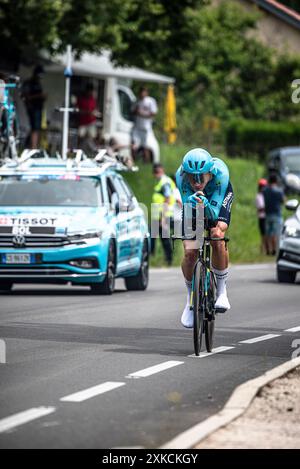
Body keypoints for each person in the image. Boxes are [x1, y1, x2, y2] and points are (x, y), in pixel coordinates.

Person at [176, 148, 234, 328]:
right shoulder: (181, 177)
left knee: (217, 234)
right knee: (190, 251)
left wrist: (206, 205)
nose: (197, 182)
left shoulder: (220, 175)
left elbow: (214, 216)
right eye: (192, 177)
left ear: (210, 172)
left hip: (217, 196)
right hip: (193, 204)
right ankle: (190, 300)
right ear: (186, 174)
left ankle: (222, 291)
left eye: (201, 176)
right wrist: (195, 205)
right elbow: (189, 212)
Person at [151, 163, 176, 266]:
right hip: (158, 216)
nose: (157, 174)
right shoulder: (162, 182)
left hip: (164, 216)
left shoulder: (164, 182)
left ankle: (167, 259)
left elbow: (167, 199)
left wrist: (163, 218)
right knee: (162, 238)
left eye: (158, 172)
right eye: (156, 172)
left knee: (158, 237)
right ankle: (167, 259)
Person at [22, 65, 46, 148]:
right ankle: (33, 147)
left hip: (38, 108)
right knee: (35, 128)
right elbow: (26, 97)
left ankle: (33, 146)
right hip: (33, 108)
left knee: (37, 128)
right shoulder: (29, 83)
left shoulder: (37, 83)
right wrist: (39, 96)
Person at [131, 87, 157, 163]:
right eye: (141, 92)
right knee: (134, 144)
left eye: (144, 92)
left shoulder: (150, 101)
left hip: (146, 127)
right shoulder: (137, 101)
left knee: (146, 145)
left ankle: (146, 161)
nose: (142, 94)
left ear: (146, 93)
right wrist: (136, 111)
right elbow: (132, 111)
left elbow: (153, 113)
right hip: (137, 126)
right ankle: (133, 160)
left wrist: (142, 114)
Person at [263, 174, 285, 256]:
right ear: (276, 181)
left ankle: (269, 250)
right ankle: (275, 250)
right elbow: (283, 200)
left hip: (268, 214)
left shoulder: (265, 190)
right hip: (277, 214)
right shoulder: (279, 190)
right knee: (276, 233)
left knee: (268, 233)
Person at [77, 83, 100, 149]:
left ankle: (92, 150)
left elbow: (95, 109)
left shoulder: (93, 99)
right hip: (83, 122)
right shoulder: (81, 99)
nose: (91, 93)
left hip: (91, 122)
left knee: (92, 137)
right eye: (90, 91)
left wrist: (95, 112)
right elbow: (78, 110)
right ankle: (78, 150)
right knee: (80, 136)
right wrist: (87, 112)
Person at [255, 178, 268, 254]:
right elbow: (260, 208)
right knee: (263, 235)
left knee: (268, 235)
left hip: (266, 217)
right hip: (262, 217)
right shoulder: (259, 196)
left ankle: (267, 250)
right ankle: (263, 250)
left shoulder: (265, 196)